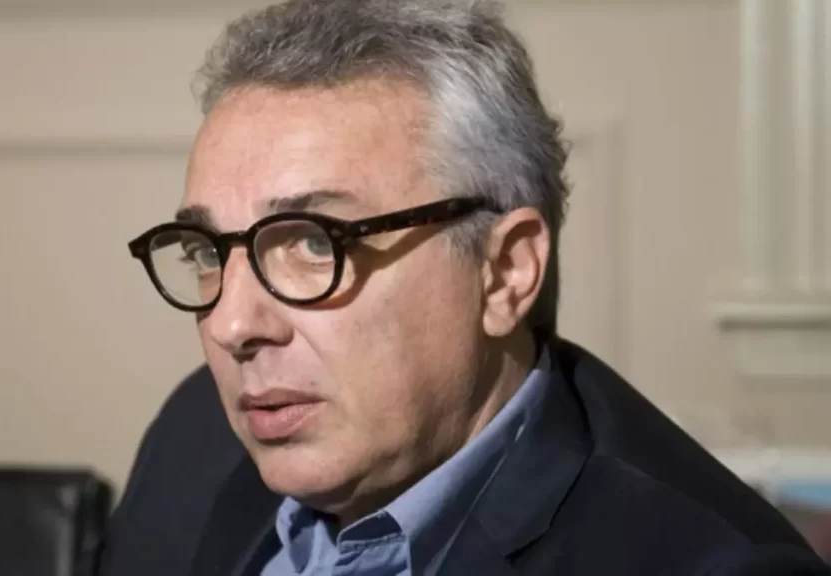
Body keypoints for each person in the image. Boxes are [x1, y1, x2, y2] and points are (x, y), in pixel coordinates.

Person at [95, 0, 831, 574]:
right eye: (206, 251)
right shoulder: (194, 434)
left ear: (505, 272)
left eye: (314, 243)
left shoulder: (704, 564)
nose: (232, 326)